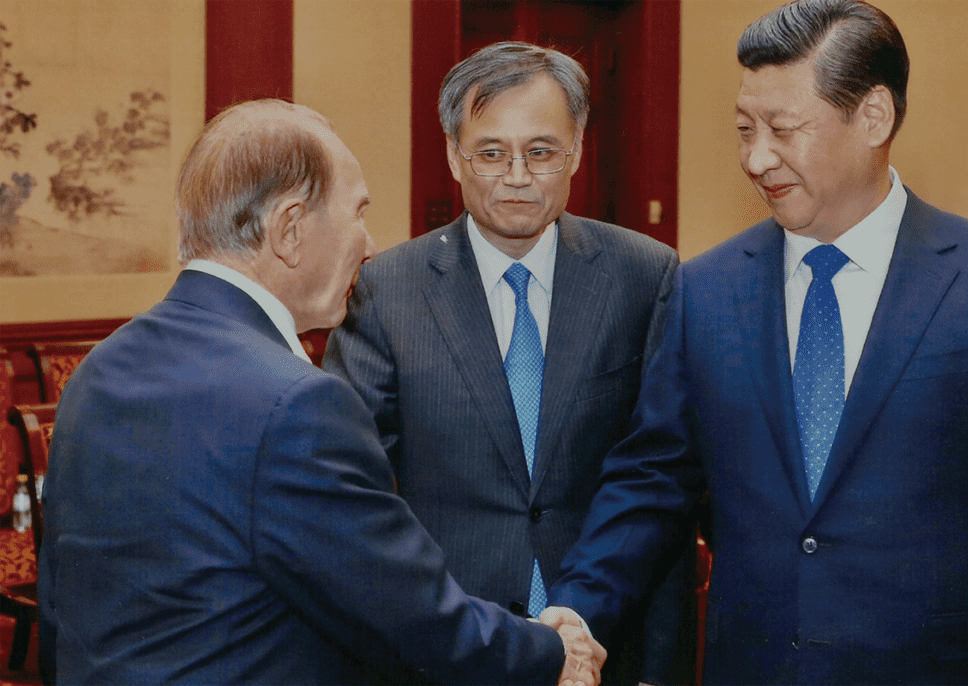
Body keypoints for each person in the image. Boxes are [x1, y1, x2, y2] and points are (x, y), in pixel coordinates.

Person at [543, 1, 968, 684]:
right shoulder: (705, 290)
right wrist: (575, 612)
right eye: (745, 129)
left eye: (784, 129)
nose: (756, 158)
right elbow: (651, 479)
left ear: (873, 116)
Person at [37, 99, 606, 685]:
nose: (369, 243)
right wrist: (551, 653)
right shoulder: (296, 406)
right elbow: (408, 615)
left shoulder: (97, 372)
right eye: (356, 213)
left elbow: (59, 603)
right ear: (289, 229)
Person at [322, 42, 689, 685]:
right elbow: (355, 489)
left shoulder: (644, 275)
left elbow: (660, 468)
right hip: (450, 647)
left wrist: (582, 620)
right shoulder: (386, 292)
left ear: (575, 149)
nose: (517, 175)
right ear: (452, 156)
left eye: (541, 151)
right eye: (491, 152)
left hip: (609, 634)